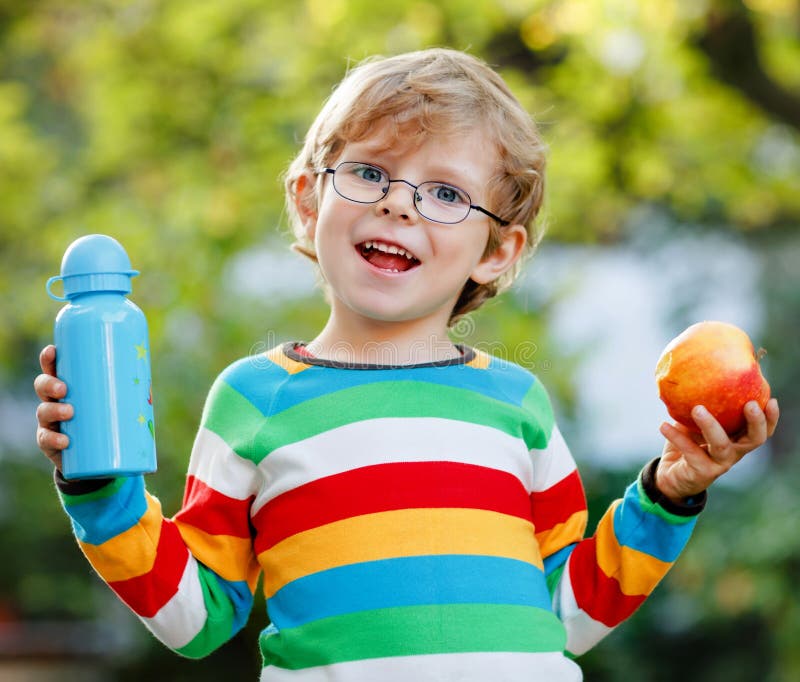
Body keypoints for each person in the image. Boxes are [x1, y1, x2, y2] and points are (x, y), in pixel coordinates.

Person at [34, 48, 779, 682]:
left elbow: (569, 611)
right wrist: (97, 490)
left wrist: (670, 494)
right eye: (369, 173)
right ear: (307, 198)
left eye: (447, 193)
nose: (399, 206)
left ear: (497, 253)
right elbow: (193, 619)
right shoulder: (255, 399)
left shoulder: (515, 403)